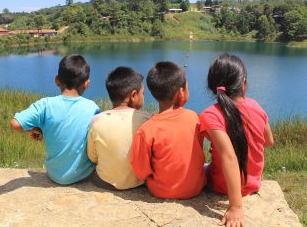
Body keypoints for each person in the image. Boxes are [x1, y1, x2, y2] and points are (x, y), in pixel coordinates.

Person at [200, 53, 274, 226]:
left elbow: (229, 157)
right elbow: (269, 141)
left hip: (221, 186)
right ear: (243, 83)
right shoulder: (255, 106)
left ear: (212, 85)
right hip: (253, 184)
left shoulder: (210, 115)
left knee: (201, 167)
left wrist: (235, 206)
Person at [10, 54, 100, 185]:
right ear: (87, 84)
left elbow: (15, 124)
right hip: (84, 175)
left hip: (54, 175)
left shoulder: (45, 104)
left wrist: (35, 128)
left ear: (57, 80)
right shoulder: (92, 108)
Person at [130, 61, 206, 199]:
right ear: (181, 92)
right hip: (196, 188)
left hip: (160, 191)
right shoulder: (196, 118)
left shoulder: (147, 129)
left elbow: (141, 172)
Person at [87, 66, 150, 190]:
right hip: (139, 183)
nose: (144, 97)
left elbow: (92, 157)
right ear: (134, 95)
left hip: (106, 183)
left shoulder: (97, 120)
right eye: (143, 93)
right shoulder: (147, 120)